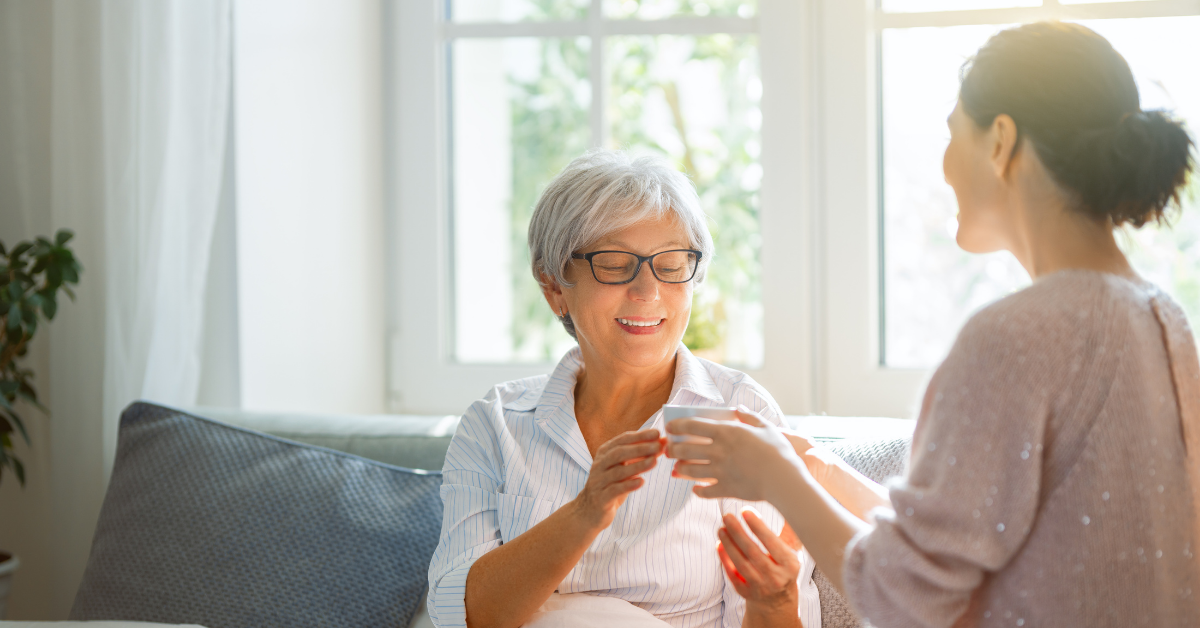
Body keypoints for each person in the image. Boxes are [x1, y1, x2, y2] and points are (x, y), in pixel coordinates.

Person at [666, 21, 1199, 627]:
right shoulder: (1163, 319)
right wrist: (819, 468)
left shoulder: (1018, 335)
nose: (944, 166)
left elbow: (907, 598)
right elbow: (975, 552)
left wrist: (777, 478)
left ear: (1000, 140)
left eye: (953, 134)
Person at [426, 149, 822, 628]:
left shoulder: (740, 412)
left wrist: (777, 598)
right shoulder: (496, 424)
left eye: (672, 263)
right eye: (614, 264)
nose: (647, 290)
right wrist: (585, 512)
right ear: (554, 286)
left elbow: (766, 611)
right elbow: (460, 616)